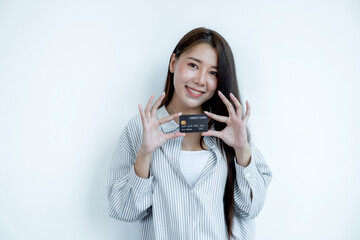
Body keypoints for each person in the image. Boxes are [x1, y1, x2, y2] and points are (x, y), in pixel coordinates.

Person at [106, 27, 272, 240]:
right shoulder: (140, 129)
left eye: (213, 73)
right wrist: (145, 155)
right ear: (173, 63)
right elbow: (122, 211)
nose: (201, 80)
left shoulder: (232, 129)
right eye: (193, 65)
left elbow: (251, 209)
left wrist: (242, 150)